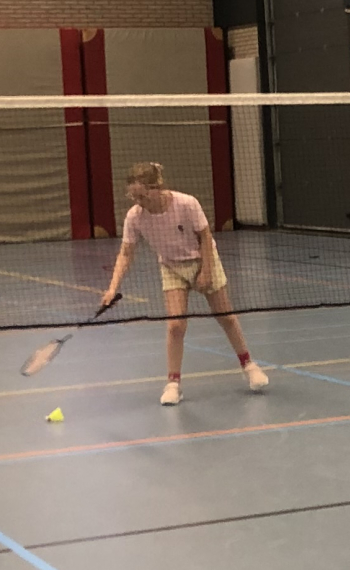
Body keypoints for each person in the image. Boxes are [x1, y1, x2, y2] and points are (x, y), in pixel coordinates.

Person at [101, 161, 271, 406]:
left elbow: (205, 236)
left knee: (226, 317)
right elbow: (126, 253)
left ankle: (249, 365)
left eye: (142, 195)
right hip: (171, 266)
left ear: (157, 187)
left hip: (203, 259)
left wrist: (206, 271)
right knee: (175, 326)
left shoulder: (186, 203)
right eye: (134, 196)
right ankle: (173, 384)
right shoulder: (135, 216)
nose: (138, 201)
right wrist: (112, 288)